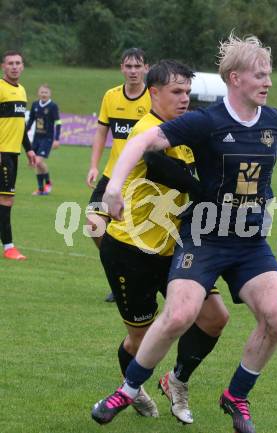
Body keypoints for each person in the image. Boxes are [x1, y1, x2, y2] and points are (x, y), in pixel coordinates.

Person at [93, 34, 277, 433]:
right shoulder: (208, 121)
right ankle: (129, 389)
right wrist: (111, 186)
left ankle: (236, 395)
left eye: (269, 74)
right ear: (235, 78)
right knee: (180, 314)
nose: (268, 82)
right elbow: (147, 140)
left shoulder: (275, 120)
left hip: (249, 240)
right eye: (259, 75)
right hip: (204, 235)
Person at [93, 60, 229, 424]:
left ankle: (177, 380)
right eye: (176, 92)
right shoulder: (148, 130)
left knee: (215, 317)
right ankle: (132, 388)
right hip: (130, 252)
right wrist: (204, 192)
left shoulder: (183, 131)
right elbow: (158, 166)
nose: (184, 99)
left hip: (178, 250)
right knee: (140, 342)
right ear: (154, 93)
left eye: (188, 92)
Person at [85, 47, 150, 302]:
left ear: (146, 68)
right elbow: (101, 132)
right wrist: (93, 165)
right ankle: (119, 274)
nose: (133, 71)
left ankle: (138, 281)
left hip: (142, 178)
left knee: (136, 236)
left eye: (138, 66)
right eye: (129, 66)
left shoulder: (153, 98)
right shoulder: (111, 96)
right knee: (94, 225)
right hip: (113, 175)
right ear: (122, 68)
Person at [0, 50, 36, 260]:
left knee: (5, 200)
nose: (14, 66)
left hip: (13, 154)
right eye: (10, 63)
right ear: (4, 66)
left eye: (18, 63)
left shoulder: (21, 90)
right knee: (6, 200)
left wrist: (28, 148)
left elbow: (19, 124)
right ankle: (9, 247)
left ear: (22, 66)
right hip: (2, 153)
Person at [26, 84, 61, 195]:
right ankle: (41, 189)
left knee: (37, 161)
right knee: (38, 164)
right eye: (42, 92)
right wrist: (24, 132)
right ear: (38, 93)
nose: (44, 94)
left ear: (49, 94)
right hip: (36, 138)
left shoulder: (53, 106)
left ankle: (48, 184)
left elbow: (58, 122)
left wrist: (56, 139)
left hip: (47, 139)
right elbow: (31, 120)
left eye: (46, 92)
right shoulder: (35, 105)